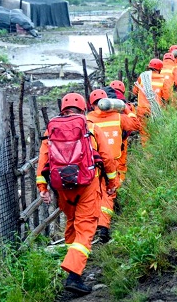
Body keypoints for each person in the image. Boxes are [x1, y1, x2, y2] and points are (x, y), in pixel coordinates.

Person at [35, 92, 119, 295]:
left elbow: (43, 161)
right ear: (83, 108)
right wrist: (112, 183)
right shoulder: (90, 126)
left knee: (72, 222)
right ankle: (73, 275)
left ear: (63, 109)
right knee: (86, 228)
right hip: (87, 186)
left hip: (63, 188)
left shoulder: (52, 128)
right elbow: (107, 158)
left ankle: (72, 262)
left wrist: (43, 188)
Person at [86, 89, 141, 243]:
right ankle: (103, 228)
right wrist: (126, 109)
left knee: (93, 194)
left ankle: (91, 228)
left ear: (92, 104)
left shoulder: (87, 119)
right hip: (113, 164)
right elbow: (136, 125)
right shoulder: (119, 117)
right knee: (109, 194)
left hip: (92, 165)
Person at [132, 58, 172, 144]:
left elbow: (135, 91)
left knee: (144, 133)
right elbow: (167, 97)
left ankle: (147, 153)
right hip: (155, 110)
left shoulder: (142, 77)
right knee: (157, 131)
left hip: (142, 109)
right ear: (160, 69)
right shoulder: (163, 80)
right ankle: (155, 149)